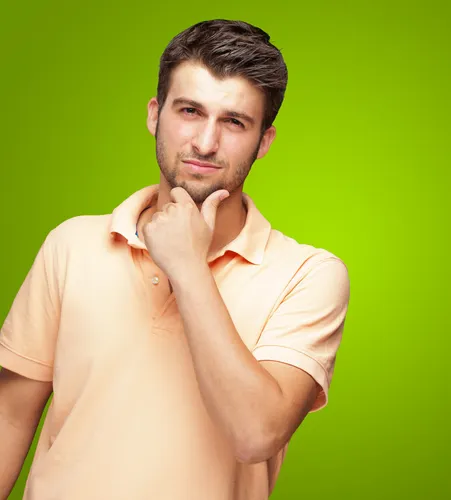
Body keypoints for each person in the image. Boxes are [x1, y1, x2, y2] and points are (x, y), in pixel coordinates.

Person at [0, 19, 350, 500]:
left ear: (264, 141)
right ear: (154, 114)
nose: (205, 143)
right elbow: (10, 415)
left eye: (233, 122)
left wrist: (187, 267)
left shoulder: (309, 276)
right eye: (190, 110)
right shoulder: (71, 244)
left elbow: (256, 434)